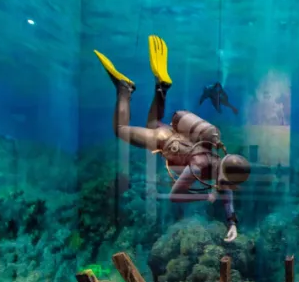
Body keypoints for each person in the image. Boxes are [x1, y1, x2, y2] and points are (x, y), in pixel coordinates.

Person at [94, 35, 251, 242]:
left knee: (153, 121)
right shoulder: (199, 167)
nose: (227, 188)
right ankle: (125, 88)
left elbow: (226, 192)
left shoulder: (216, 156)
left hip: (171, 134)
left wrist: (231, 222)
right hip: (161, 141)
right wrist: (205, 196)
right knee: (120, 129)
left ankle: (162, 87)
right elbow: (176, 195)